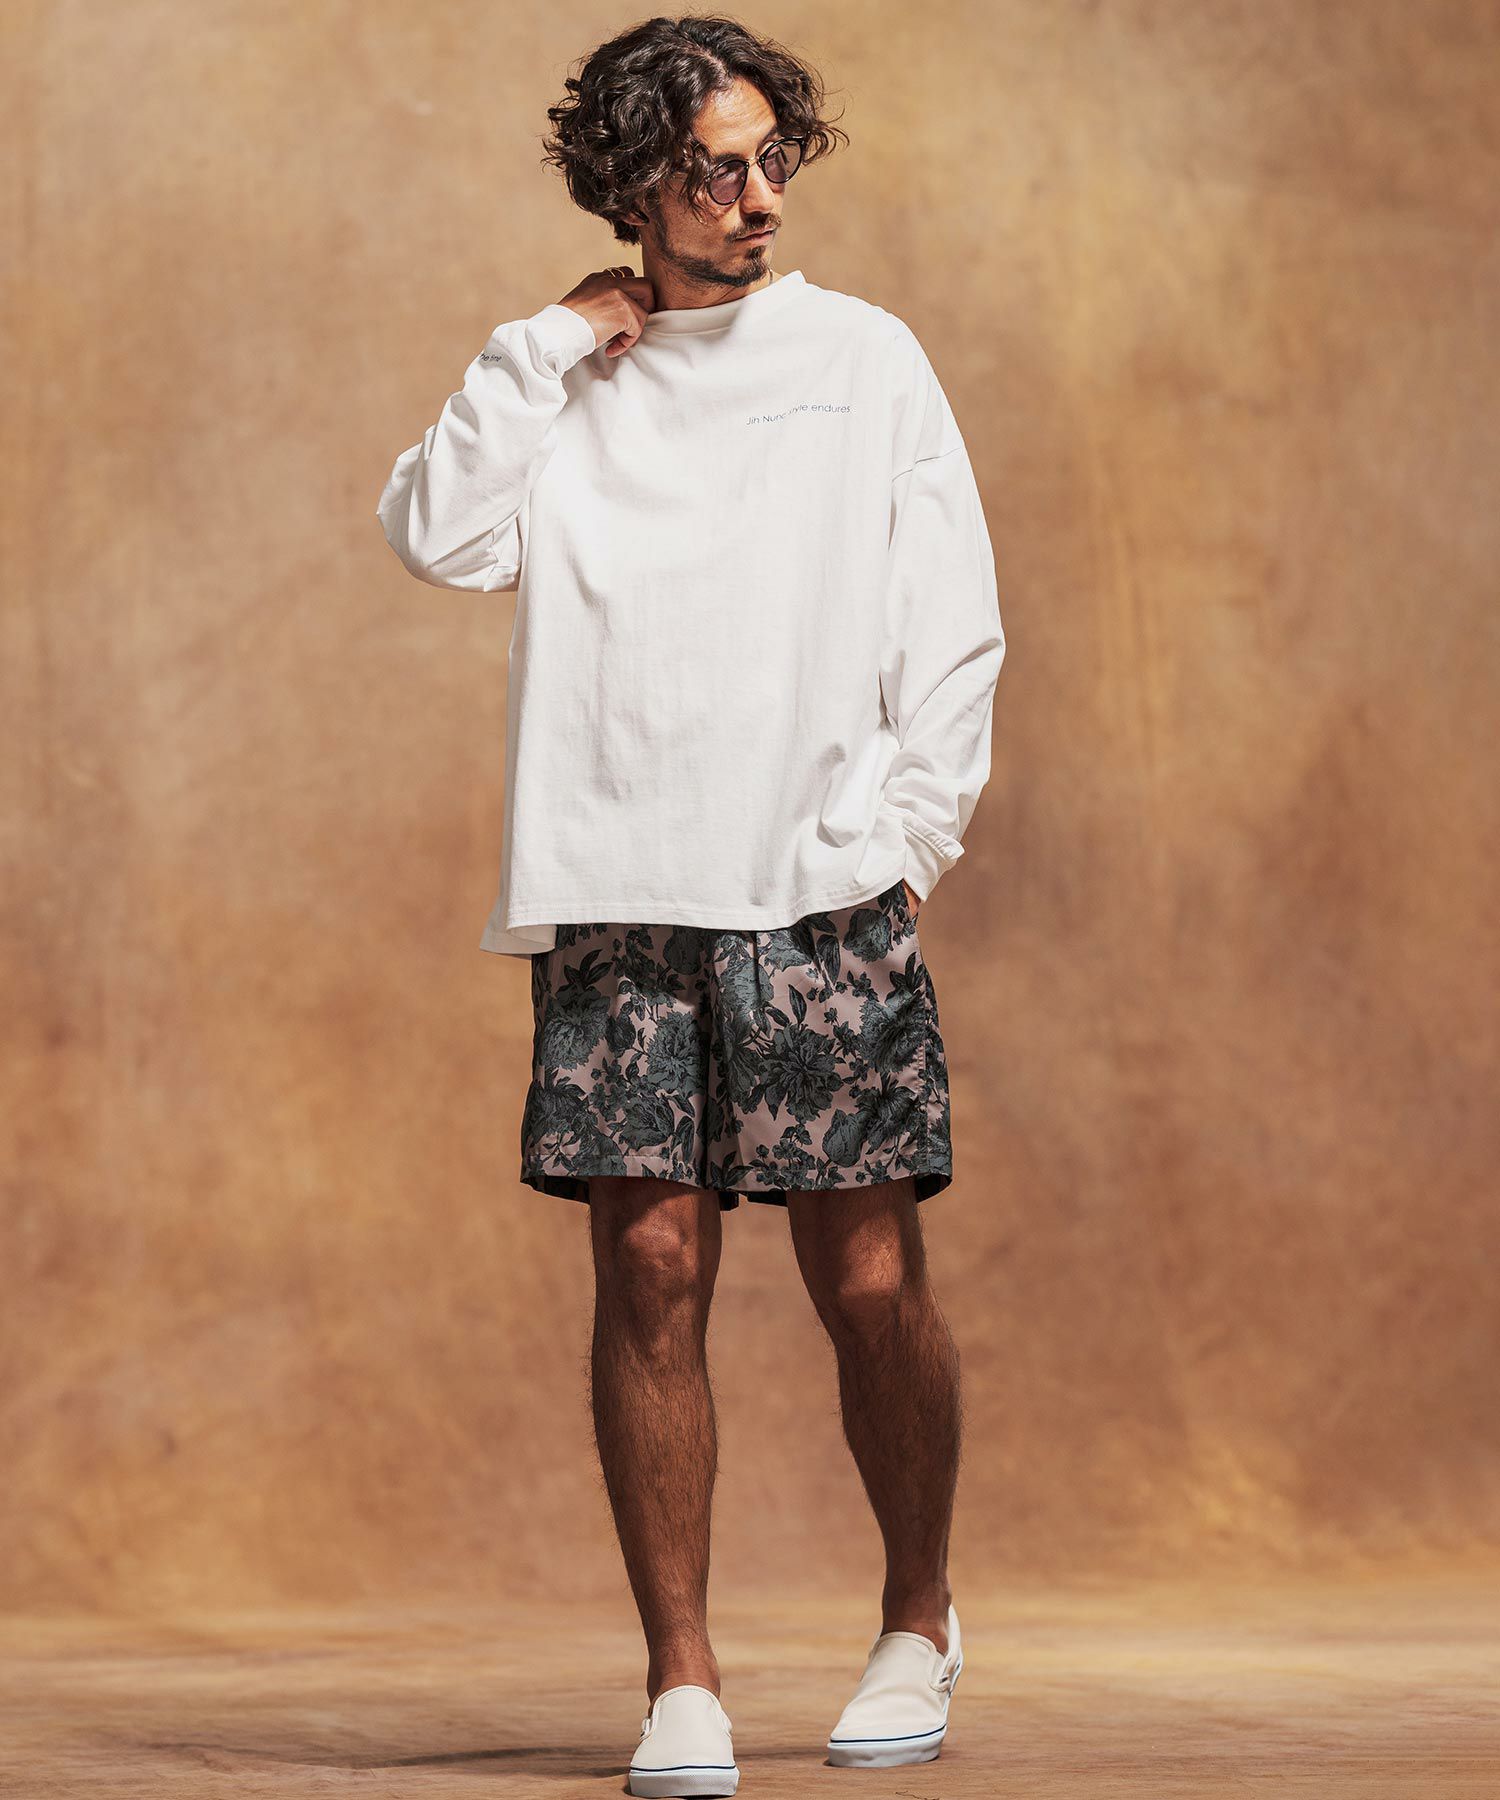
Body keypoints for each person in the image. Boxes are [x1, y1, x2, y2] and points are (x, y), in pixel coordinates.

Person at [376, 15, 1000, 1796]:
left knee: (866, 1277)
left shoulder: (863, 359)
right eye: (715, 169)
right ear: (634, 185)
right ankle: (684, 1681)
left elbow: (953, 623)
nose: (758, 196)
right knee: (651, 1270)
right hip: (617, 891)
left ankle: (919, 1612)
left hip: (819, 891)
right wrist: (545, 341)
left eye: (771, 157)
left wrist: (902, 842)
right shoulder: (568, 376)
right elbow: (437, 534)